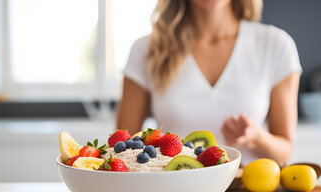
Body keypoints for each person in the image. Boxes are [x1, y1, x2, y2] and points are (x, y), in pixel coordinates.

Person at [116, 0, 302, 167]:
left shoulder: (275, 45)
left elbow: (284, 152)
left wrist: (256, 137)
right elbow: (123, 149)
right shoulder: (146, 49)